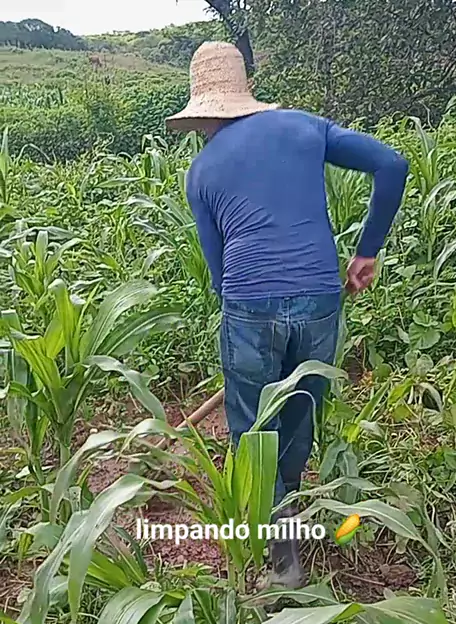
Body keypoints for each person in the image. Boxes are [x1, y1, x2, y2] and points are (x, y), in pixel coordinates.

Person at [166, 41, 409, 589]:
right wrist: (366, 252)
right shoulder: (304, 127)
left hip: (250, 305)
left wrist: (246, 321)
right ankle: (291, 514)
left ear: (201, 113)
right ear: (245, 92)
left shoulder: (200, 172)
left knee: (253, 427)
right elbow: (392, 164)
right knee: (299, 413)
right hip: (321, 298)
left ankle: (283, 561)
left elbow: (219, 275)